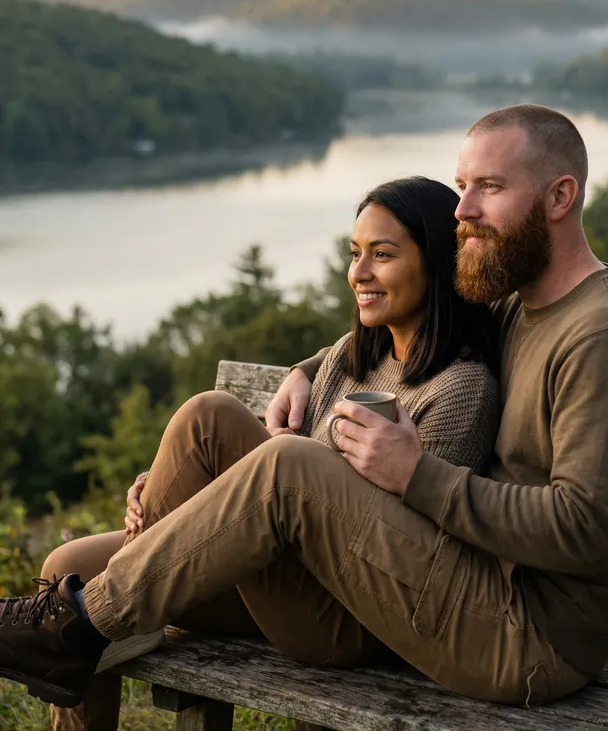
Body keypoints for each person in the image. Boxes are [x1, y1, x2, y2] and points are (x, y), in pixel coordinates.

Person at [0, 104, 608, 716]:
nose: (462, 212)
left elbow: (588, 533)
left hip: (525, 640)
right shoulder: (518, 301)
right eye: (461, 188)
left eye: (490, 187)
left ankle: (77, 627)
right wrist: (305, 372)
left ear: (560, 196)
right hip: (458, 590)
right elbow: (408, 326)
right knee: (74, 561)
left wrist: (416, 474)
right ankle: (78, 621)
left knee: (288, 470)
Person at [17, 176, 499, 730]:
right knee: (66, 571)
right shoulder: (356, 354)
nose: (359, 273)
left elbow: (410, 554)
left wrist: (168, 524)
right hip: (279, 577)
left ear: (437, 262)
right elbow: (317, 387)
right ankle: (131, 575)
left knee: (211, 417)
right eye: (355, 253)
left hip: (350, 611)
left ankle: (134, 574)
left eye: (383, 255)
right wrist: (299, 374)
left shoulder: (461, 388)